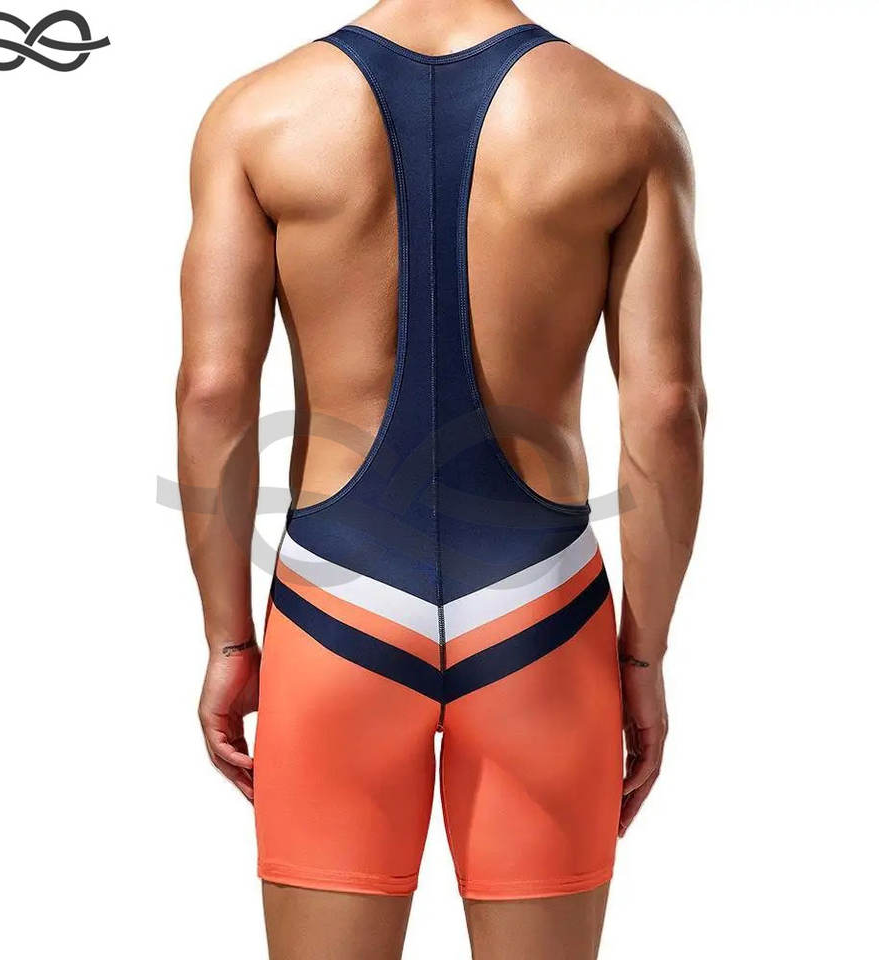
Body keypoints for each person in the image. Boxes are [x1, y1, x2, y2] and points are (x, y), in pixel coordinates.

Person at [177, 0, 705, 956]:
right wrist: (641, 657)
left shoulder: (257, 115)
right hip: (541, 611)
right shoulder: (625, 118)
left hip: (336, 605)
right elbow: (666, 413)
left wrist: (229, 640)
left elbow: (213, 393)